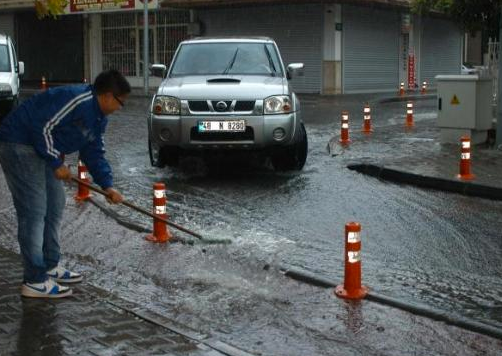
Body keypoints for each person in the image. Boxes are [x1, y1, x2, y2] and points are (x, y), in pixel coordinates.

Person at [0, 69, 130, 298]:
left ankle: (50, 264)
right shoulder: (77, 100)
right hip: (19, 144)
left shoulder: (99, 118)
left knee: (55, 204)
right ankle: (34, 280)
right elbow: (42, 127)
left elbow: (94, 152)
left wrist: (107, 186)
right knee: (34, 210)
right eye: (121, 102)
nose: (120, 108)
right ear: (108, 96)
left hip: (43, 150)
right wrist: (54, 161)